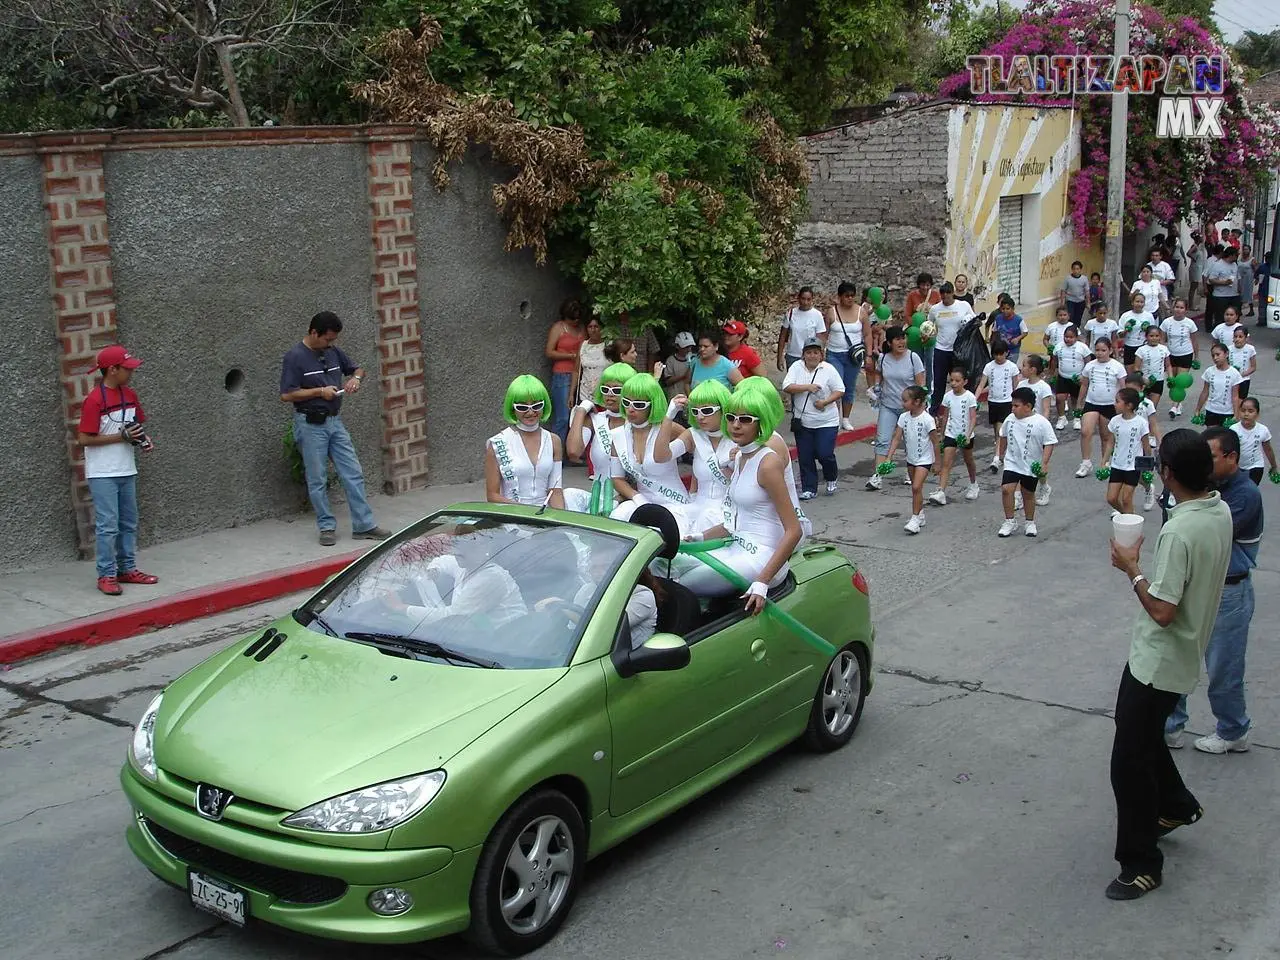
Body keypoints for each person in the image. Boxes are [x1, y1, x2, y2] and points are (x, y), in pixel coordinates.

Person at [1106, 428, 1232, 900]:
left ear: (1170, 474)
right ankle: (1176, 804)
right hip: (1175, 653)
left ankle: (1141, 864)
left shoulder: (1180, 529)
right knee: (1138, 735)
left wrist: (1131, 568)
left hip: (1158, 661)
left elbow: (1163, 611)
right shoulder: (1216, 509)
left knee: (1128, 763)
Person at [679, 387, 805, 610]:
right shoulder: (739, 459)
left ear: (761, 423)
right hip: (736, 548)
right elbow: (734, 522)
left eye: (745, 419)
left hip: (761, 559)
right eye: (731, 417)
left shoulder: (768, 463)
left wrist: (762, 582)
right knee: (671, 566)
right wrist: (698, 537)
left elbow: (794, 530)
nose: (736, 425)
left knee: (681, 585)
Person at [280, 312, 390, 546]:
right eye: (327, 339)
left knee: (353, 472)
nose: (330, 344)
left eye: (333, 340)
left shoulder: (333, 352)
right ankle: (326, 526)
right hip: (310, 424)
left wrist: (355, 380)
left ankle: (364, 525)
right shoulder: (295, 357)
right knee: (317, 478)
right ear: (313, 333)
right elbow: (287, 394)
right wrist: (320, 392)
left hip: (334, 422)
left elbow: (358, 369)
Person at [77, 345, 159, 596]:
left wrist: (142, 439)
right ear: (112, 370)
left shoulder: (130, 395)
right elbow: (84, 439)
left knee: (129, 522)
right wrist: (119, 437)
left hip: (127, 469)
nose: (131, 372)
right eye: (127, 368)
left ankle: (127, 568)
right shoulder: (95, 400)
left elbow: (134, 426)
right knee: (108, 525)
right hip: (103, 473)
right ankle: (106, 574)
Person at [486, 374, 586, 511]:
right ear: (512, 408)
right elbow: (492, 495)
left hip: (544, 514)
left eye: (537, 405)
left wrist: (560, 518)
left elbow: (555, 490)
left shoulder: (553, 440)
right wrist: (527, 512)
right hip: (512, 514)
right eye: (522, 407)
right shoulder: (497, 443)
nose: (530, 412)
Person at [609, 373, 692, 530]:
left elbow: (700, 449)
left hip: (673, 502)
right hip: (641, 500)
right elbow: (617, 478)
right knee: (618, 519)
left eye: (639, 405)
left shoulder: (668, 428)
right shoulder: (618, 435)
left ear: (653, 404)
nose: (630, 409)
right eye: (626, 402)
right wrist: (637, 497)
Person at [657, 379, 734, 531]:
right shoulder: (693, 435)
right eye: (695, 411)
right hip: (698, 506)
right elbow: (661, 456)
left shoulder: (739, 436)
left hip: (728, 512)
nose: (700, 417)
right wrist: (669, 416)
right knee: (668, 518)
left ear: (723, 409)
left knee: (707, 519)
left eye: (706, 411)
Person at [783, 338, 845, 499]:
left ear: (821, 355)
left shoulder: (828, 369)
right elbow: (787, 386)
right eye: (809, 353)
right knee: (805, 456)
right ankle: (809, 488)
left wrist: (825, 401)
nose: (812, 356)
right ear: (803, 355)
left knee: (825, 453)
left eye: (816, 352)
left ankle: (831, 477)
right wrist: (807, 387)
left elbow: (840, 390)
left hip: (826, 421)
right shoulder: (797, 367)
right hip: (803, 421)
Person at [866, 326, 925, 490]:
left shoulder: (913, 358)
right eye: (897, 339)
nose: (901, 342)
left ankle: (910, 472)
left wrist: (921, 405)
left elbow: (921, 383)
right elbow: (879, 374)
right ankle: (878, 475)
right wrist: (876, 387)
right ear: (890, 342)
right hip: (888, 405)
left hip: (909, 408)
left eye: (903, 338)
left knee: (911, 441)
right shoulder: (884, 359)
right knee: (882, 439)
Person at [996, 386, 1056, 538]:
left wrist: (1044, 463)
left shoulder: (1041, 422)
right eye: (1012, 405)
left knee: (1028, 494)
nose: (1013, 408)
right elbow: (1002, 436)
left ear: (1028, 406)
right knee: (1006, 489)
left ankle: (1030, 522)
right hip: (1012, 462)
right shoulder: (1010, 419)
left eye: (1016, 406)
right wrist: (1000, 455)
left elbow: (1049, 443)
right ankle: (1009, 521)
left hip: (1030, 464)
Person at [568, 361, 635, 482]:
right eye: (605, 389)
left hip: (633, 495)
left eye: (616, 390)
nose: (610, 394)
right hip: (600, 495)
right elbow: (573, 452)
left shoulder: (638, 422)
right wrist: (581, 410)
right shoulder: (594, 419)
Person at [885, 385, 939, 535]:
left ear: (916, 402)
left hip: (925, 460)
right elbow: (896, 438)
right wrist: (889, 457)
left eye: (905, 400)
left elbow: (935, 442)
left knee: (915, 487)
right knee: (916, 489)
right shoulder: (904, 418)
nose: (902, 403)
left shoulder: (927, 420)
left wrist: (937, 462)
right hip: (911, 458)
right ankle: (920, 514)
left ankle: (914, 519)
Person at [1074, 337, 1126, 478]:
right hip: (1092, 403)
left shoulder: (1117, 366)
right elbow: (1084, 385)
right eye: (1097, 350)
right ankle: (1086, 462)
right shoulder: (1090, 366)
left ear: (1110, 350)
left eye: (1103, 350)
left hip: (1110, 405)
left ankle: (1105, 463)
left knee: (1106, 436)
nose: (1100, 353)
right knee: (1085, 432)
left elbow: (1123, 387)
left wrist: (1124, 405)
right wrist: (1079, 402)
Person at [930, 366, 980, 505]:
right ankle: (941, 491)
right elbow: (945, 416)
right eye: (951, 380)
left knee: (968, 460)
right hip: (950, 434)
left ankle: (973, 483)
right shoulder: (947, 396)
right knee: (946, 463)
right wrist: (942, 434)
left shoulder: (969, 397)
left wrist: (968, 434)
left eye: (957, 381)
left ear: (964, 381)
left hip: (965, 435)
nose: (953, 383)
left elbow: (973, 417)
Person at [926, 281, 977, 415]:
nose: (945, 300)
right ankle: (934, 412)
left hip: (959, 351)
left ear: (952, 294)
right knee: (938, 383)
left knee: (959, 381)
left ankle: (962, 410)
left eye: (947, 297)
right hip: (941, 349)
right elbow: (929, 325)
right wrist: (926, 335)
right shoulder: (935, 309)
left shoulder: (963, 306)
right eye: (942, 297)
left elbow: (974, 321)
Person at [1103, 388, 1152, 517]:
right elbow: (1110, 443)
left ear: (1129, 405)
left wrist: (1147, 468)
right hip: (1117, 464)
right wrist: (1104, 461)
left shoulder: (1141, 423)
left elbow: (1146, 447)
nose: (1114, 404)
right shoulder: (1114, 421)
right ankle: (1129, 517)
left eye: (1117, 401)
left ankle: (1129, 525)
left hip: (1132, 466)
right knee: (1111, 498)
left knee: (1126, 499)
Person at [825, 282, 869, 429]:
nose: (850, 299)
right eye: (846, 296)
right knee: (836, 386)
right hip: (834, 354)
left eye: (852, 296)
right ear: (840, 297)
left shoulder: (861, 312)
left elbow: (867, 334)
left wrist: (868, 355)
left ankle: (846, 418)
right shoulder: (832, 312)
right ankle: (835, 418)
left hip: (854, 356)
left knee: (849, 386)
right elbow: (824, 334)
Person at [975, 339, 1021, 473]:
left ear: (1006, 353)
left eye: (1001, 354)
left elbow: (1015, 385)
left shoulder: (1012, 367)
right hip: (993, 402)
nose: (998, 357)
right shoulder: (989, 367)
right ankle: (1002, 453)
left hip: (1006, 402)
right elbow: (981, 384)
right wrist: (974, 398)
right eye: (996, 354)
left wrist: (1017, 403)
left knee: (1001, 429)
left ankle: (996, 458)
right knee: (997, 431)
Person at [544, 298, 585, 440]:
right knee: (563, 416)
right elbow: (549, 352)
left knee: (578, 415)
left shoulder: (582, 328)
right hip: (563, 374)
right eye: (572, 319)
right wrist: (571, 355)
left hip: (581, 375)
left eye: (578, 318)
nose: (575, 321)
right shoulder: (559, 328)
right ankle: (557, 453)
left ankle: (572, 451)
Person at [1124, 372, 1164, 512]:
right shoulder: (1122, 403)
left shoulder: (1147, 404)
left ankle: (1148, 488)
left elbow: (1153, 424)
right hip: (1126, 443)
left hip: (1142, 444)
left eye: (1133, 389)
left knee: (1139, 474)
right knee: (1125, 473)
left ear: (1141, 388)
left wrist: (1160, 442)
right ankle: (1123, 505)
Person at [1160, 298, 1198, 417]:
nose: (1179, 310)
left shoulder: (1190, 323)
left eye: (1181, 308)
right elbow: (1162, 339)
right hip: (1171, 355)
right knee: (1173, 380)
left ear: (1185, 310)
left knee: (1180, 382)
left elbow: (1194, 341)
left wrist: (1196, 357)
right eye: (1177, 307)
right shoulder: (1166, 322)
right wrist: (1162, 354)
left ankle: (1174, 406)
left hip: (1186, 354)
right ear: (1173, 308)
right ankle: (1178, 403)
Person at [777, 287, 828, 375]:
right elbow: (782, 336)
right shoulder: (791, 314)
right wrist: (779, 357)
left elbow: (820, 338)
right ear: (798, 298)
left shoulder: (817, 315)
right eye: (803, 299)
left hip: (810, 356)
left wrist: (821, 355)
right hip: (792, 355)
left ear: (812, 300)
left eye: (808, 299)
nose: (805, 302)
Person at [905, 273, 942, 392]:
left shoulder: (936, 295)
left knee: (930, 361)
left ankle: (930, 389)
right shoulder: (912, 296)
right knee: (917, 361)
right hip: (916, 334)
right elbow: (908, 314)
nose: (925, 288)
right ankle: (918, 387)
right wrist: (917, 327)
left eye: (927, 285)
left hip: (931, 334)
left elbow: (939, 313)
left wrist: (931, 329)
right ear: (918, 285)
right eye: (922, 285)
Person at [1052, 323, 1091, 432]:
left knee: (1076, 399)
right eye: (1066, 337)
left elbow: (1088, 362)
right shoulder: (1058, 346)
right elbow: (1054, 361)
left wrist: (1083, 376)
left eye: (1071, 337)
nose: (1068, 339)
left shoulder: (1083, 347)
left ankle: (1077, 418)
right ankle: (1061, 418)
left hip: (1077, 378)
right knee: (1059, 398)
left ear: (1076, 337)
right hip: (1062, 376)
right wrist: (1053, 373)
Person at [1193, 343, 1242, 427]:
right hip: (1211, 410)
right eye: (1213, 355)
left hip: (1227, 412)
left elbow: (1235, 396)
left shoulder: (1234, 374)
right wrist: (1198, 409)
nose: (1215, 358)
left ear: (1226, 354)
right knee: (1210, 436)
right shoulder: (1209, 371)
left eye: (1218, 354)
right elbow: (1205, 392)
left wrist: (1236, 414)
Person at [1230, 398, 1276, 486]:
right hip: (1237, 468)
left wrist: (1274, 466)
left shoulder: (1263, 430)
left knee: (1250, 490)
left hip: (1255, 467)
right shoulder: (1233, 429)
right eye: (1243, 410)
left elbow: (1268, 449)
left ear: (1257, 414)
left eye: (1250, 411)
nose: (1246, 414)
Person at [1134, 324, 1172, 414]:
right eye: (1151, 336)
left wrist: (1170, 377)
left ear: (1160, 337)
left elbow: (1168, 365)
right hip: (1144, 382)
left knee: (1152, 409)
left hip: (1158, 381)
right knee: (1141, 407)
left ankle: (1150, 425)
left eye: (1156, 336)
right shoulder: (1141, 350)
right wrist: (1143, 379)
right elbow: (1136, 368)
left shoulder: (1164, 349)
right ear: (1146, 337)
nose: (1154, 338)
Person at [574, 314, 607, 406]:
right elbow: (576, 371)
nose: (593, 330)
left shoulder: (609, 345)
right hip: (585, 394)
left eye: (596, 326)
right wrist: (571, 394)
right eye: (590, 327)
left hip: (605, 393)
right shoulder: (583, 345)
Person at [1205, 245, 1240, 331]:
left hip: (1234, 294)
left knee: (1235, 316)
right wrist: (1224, 282)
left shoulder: (1234, 265)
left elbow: (1237, 277)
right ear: (1231, 255)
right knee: (1220, 317)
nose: (1237, 258)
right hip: (1221, 296)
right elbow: (1211, 280)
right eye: (1236, 255)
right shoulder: (1218, 265)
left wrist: (1239, 287)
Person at [1118, 290, 1156, 370]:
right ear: (1132, 302)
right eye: (1137, 301)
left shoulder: (1149, 316)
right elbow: (1120, 335)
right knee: (1130, 373)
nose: (1139, 304)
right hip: (1129, 346)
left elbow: (1153, 333)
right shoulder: (1126, 315)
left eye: (1142, 302)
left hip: (1143, 346)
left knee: (1142, 371)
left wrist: (1146, 329)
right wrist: (1126, 330)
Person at [658, 332, 695, 400]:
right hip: (675, 397)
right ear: (677, 346)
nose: (689, 349)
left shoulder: (695, 360)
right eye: (685, 347)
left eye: (690, 347)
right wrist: (684, 376)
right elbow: (668, 381)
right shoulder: (671, 360)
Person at [1227, 325, 1257, 401]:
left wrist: (1242, 374)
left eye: (1240, 337)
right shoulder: (1228, 349)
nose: (1237, 339)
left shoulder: (1250, 349)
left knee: (1241, 400)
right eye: (1235, 336)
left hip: (1244, 380)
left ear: (1246, 338)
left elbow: (1253, 367)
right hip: (1231, 380)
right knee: (1231, 400)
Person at [1019, 354, 1053, 420]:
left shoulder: (1044, 387)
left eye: (1024, 366)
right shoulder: (1021, 385)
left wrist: (1043, 424)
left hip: (1036, 422)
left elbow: (1046, 409)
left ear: (1032, 369)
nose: (1021, 368)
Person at [1146, 249, 1176, 317]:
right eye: (1153, 255)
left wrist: (1160, 283)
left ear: (1160, 256)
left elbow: (1171, 279)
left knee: (1163, 314)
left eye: (1157, 255)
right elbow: (1141, 277)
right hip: (1150, 294)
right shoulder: (1148, 265)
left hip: (1162, 293)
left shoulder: (1165, 265)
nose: (1154, 257)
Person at [1061, 260, 1090, 327]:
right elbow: (1063, 291)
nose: (1076, 271)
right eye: (1074, 269)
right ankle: (1070, 330)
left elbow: (1087, 291)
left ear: (1080, 270)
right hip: (1070, 301)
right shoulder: (1067, 279)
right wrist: (1062, 303)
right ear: (1072, 269)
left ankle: (1076, 331)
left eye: (1077, 269)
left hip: (1081, 301)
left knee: (1078, 318)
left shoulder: (1084, 279)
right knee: (1071, 316)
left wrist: (1088, 302)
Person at [1187, 232, 1205, 310]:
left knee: (1195, 286)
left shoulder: (1199, 246)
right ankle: (1191, 305)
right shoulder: (1195, 246)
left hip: (1198, 267)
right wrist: (1193, 258)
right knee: (1193, 287)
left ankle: (1192, 304)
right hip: (1195, 268)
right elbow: (1188, 253)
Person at [1238, 245, 1256, 317]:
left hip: (1248, 280)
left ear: (1249, 250)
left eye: (1247, 249)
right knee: (1239, 294)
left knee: (1248, 294)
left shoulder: (1252, 259)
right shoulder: (1239, 258)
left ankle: (1251, 310)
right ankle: (1239, 310)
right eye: (1244, 249)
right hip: (1240, 279)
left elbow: (1255, 270)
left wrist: (1253, 266)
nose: (1245, 251)